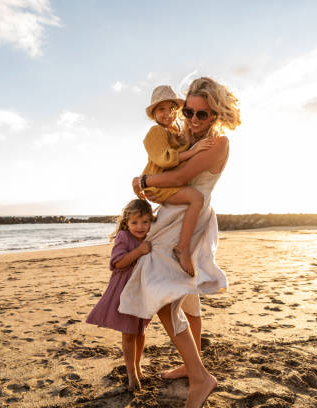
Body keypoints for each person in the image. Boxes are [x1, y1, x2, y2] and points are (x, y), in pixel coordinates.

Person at [119, 77, 240, 407]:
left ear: (217, 115)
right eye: (189, 112)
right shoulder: (186, 135)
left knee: (161, 293)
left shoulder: (219, 144)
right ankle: (191, 365)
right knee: (186, 294)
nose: (194, 120)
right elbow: (165, 156)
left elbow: (177, 178)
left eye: (204, 115)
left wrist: (142, 180)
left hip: (188, 216)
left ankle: (201, 377)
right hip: (174, 213)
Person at [142, 85, 215, 276]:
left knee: (195, 199)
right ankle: (182, 247)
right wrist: (194, 151)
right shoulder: (155, 132)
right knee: (196, 198)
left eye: (171, 109)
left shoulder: (175, 131)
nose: (167, 114)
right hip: (158, 183)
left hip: (169, 182)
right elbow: (164, 158)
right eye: (161, 109)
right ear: (154, 114)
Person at [86, 199, 154, 391]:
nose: (140, 227)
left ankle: (138, 366)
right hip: (124, 291)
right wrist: (139, 251)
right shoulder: (124, 237)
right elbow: (117, 263)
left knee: (140, 331)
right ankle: (131, 374)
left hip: (142, 291)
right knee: (128, 332)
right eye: (134, 223)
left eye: (145, 222)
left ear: (151, 221)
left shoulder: (150, 237)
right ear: (126, 223)